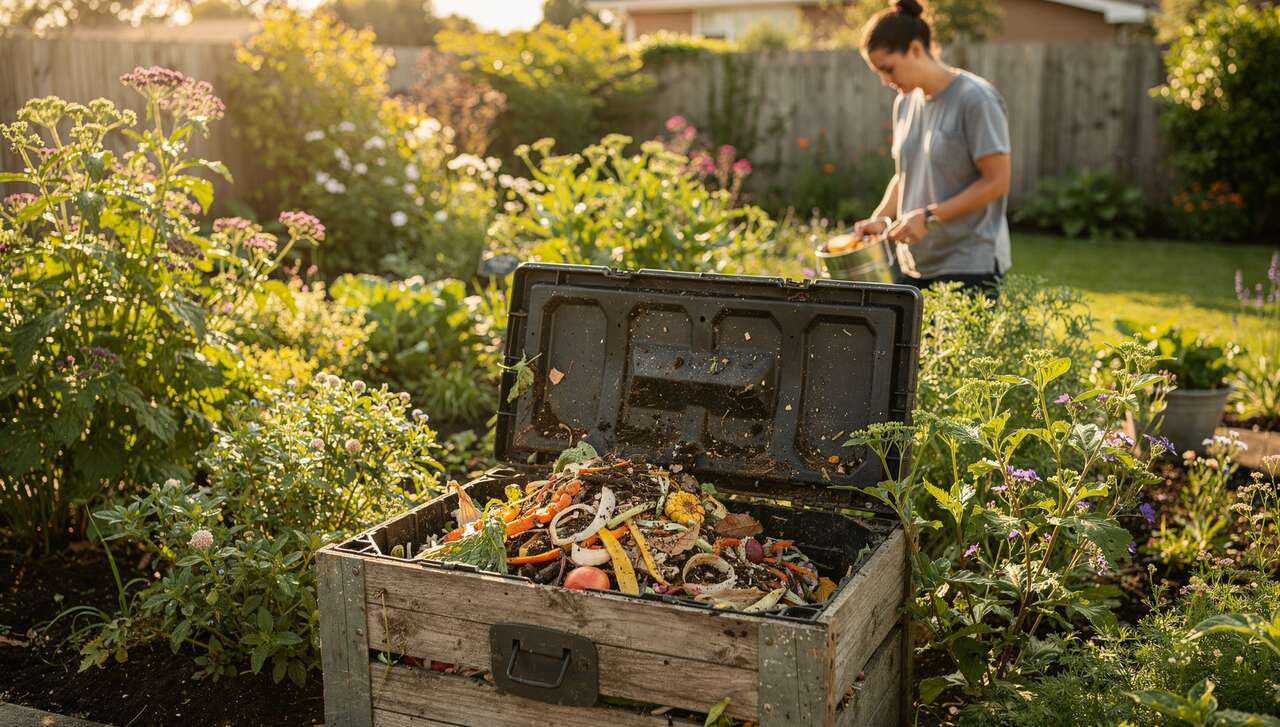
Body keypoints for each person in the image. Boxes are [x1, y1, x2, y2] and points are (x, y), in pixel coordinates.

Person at [852, 0, 1012, 292]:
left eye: (888, 69)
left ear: (915, 49)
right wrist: (880, 218)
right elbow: (906, 175)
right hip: (914, 264)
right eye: (878, 72)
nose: (885, 80)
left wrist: (928, 217)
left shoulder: (975, 99)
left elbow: (997, 182)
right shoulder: (904, 103)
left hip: (968, 265)